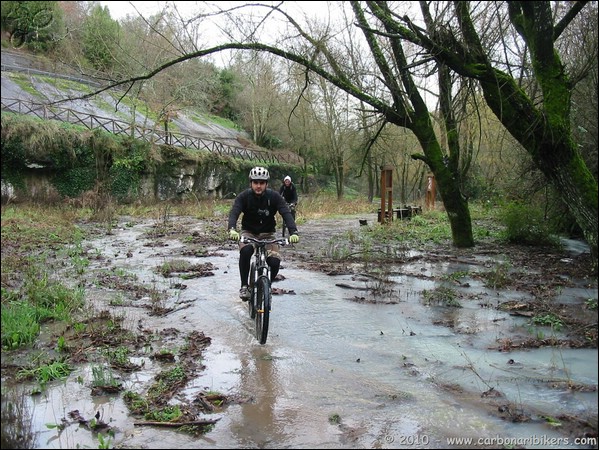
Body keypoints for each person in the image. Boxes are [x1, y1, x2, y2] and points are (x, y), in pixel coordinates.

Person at [228, 167, 300, 300]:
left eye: (262, 183)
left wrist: (293, 232)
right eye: (255, 182)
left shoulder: (274, 197)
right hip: (248, 233)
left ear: (266, 184)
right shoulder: (244, 196)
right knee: (246, 251)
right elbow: (234, 212)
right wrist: (232, 229)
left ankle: (266, 285)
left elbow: (286, 213)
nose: (258, 186)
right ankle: (244, 286)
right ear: (251, 183)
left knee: (274, 262)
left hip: (268, 234)